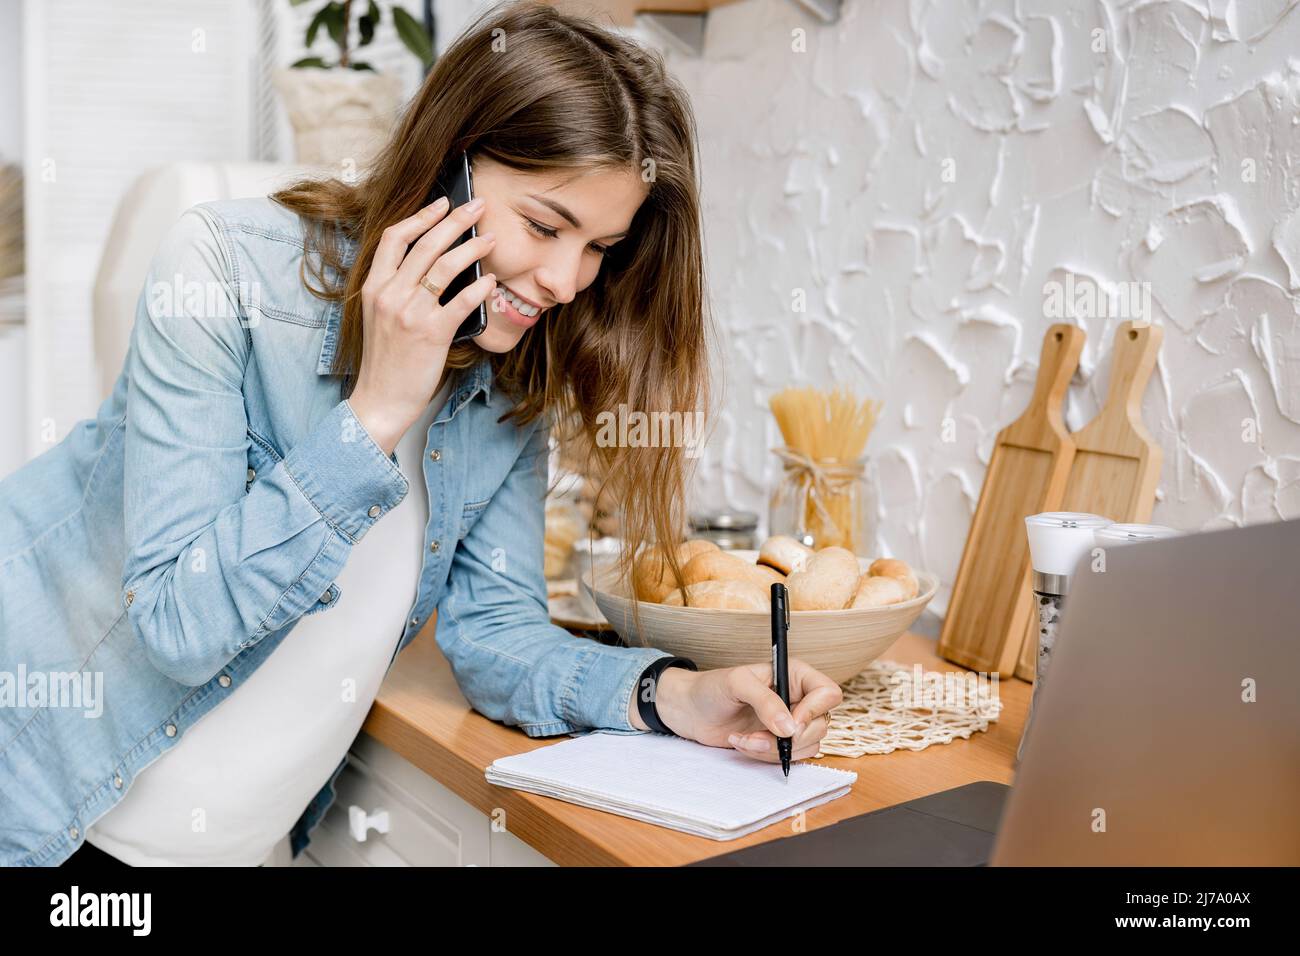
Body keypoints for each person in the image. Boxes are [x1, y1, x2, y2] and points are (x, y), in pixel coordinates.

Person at [0, 0, 841, 868]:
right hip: (43, 823)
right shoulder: (222, 274)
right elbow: (180, 628)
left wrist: (678, 696)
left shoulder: (513, 370)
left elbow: (496, 634)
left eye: (600, 247)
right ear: (447, 168)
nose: (564, 279)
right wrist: (374, 415)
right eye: (545, 225)